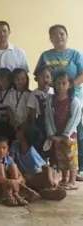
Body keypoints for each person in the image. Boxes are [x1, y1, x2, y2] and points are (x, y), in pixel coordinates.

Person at [34, 24, 83, 180]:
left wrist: (69, 87)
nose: (59, 37)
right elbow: (39, 75)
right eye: (54, 35)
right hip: (54, 100)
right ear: (50, 38)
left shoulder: (74, 54)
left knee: (74, 134)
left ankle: (77, 170)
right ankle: (60, 169)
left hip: (72, 98)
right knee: (55, 133)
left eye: (62, 33)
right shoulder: (45, 56)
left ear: (66, 35)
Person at [44, 70, 82, 190]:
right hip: (57, 134)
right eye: (58, 83)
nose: (60, 86)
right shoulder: (51, 100)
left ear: (69, 85)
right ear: (54, 84)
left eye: (64, 83)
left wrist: (66, 135)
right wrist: (51, 134)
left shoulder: (74, 101)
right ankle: (64, 178)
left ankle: (72, 181)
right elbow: (48, 117)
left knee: (71, 157)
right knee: (61, 157)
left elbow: (75, 118)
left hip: (70, 135)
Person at [11, 125, 66, 201]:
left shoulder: (32, 152)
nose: (17, 131)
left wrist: (50, 180)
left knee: (50, 174)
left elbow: (47, 167)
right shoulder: (15, 144)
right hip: (21, 175)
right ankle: (42, 192)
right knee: (17, 175)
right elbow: (11, 161)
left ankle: (50, 189)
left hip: (33, 176)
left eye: (20, 130)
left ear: (24, 137)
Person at [0, 134, 31, 206]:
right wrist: (8, 181)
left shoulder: (9, 159)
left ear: (8, 148)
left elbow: (20, 176)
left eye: (4, 148)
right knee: (0, 166)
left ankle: (15, 194)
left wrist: (14, 182)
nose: (1, 150)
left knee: (13, 166)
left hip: (11, 186)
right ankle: (8, 196)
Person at [28, 65, 54, 157]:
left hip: (53, 120)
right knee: (41, 139)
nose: (45, 79)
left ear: (51, 78)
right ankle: (41, 159)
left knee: (52, 140)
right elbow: (32, 110)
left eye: (47, 77)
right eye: (42, 77)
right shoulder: (34, 94)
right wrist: (34, 125)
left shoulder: (54, 91)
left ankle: (52, 160)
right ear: (36, 79)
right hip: (41, 120)